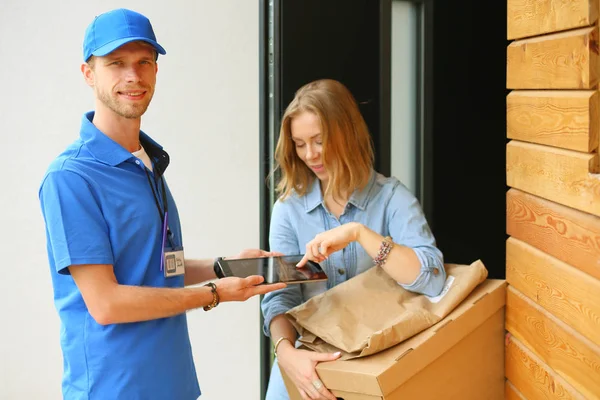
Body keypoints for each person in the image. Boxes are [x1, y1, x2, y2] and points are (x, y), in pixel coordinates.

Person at [38, 8, 285, 400]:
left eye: (143, 63)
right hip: (113, 390)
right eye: (116, 64)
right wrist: (215, 292)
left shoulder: (149, 163)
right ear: (88, 73)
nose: (132, 76)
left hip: (175, 385)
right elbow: (106, 303)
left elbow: (153, 268)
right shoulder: (71, 178)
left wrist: (225, 267)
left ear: (156, 71)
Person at [261, 79, 447, 400]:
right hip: (307, 363)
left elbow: (431, 280)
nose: (309, 154)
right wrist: (286, 354)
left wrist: (360, 234)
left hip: (376, 364)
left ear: (346, 132)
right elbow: (280, 298)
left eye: (319, 140)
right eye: (300, 143)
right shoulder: (288, 209)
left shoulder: (391, 199)